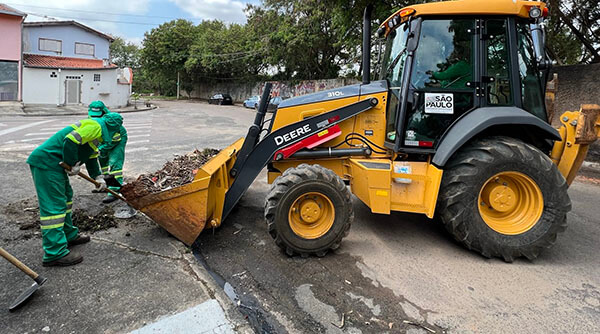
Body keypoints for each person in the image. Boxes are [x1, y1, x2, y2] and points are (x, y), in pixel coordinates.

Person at [27, 112, 124, 266]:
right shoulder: (95, 126)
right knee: (54, 206)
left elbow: (91, 157)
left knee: (66, 197)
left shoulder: (96, 131)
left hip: (55, 165)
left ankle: (68, 235)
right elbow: (70, 140)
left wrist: (98, 177)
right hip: (47, 163)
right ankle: (54, 252)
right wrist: (71, 163)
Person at [87, 101, 128, 203]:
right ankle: (107, 185)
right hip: (104, 142)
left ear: (104, 111)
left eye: (99, 114)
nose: (95, 117)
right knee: (103, 163)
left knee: (115, 164)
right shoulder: (91, 119)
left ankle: (114, 190)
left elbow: (113, 140)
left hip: (117, 141)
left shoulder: (112, 122)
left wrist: (101, 149)